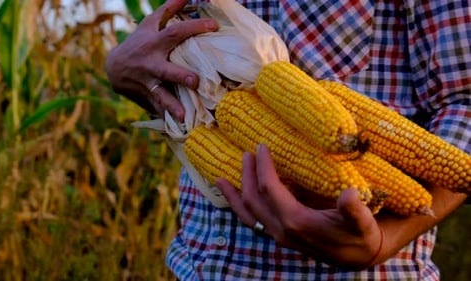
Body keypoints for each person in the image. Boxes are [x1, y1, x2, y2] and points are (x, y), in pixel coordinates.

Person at [105, 0, 470, 279]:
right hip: (196, 266)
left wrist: (384, 239)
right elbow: (195, 91)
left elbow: (464, 100)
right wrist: (127, 72)